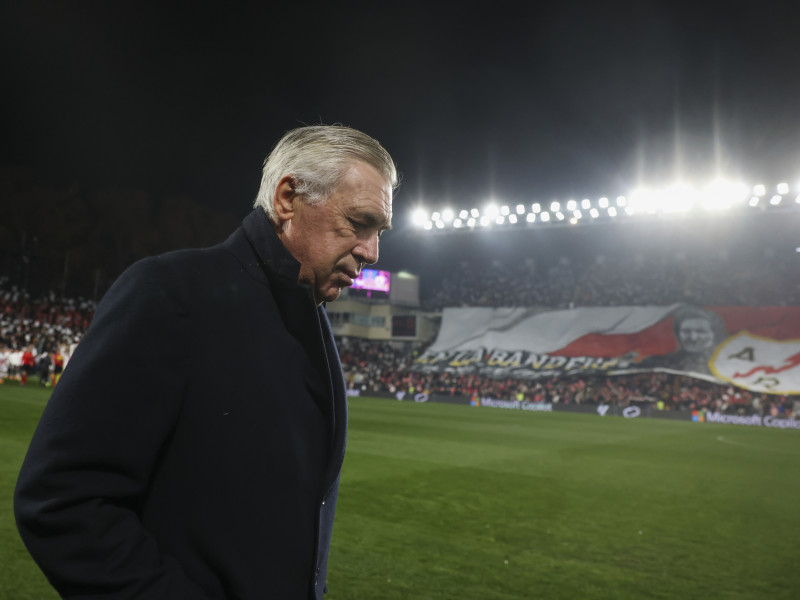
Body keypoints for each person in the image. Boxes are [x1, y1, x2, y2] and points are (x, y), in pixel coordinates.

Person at [14, 124, 397, 599]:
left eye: (379, 232)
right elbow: (62, 500)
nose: (372, 253)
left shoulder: (311, 320)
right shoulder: (170, 293)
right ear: (286, 199)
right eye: (359, 223)